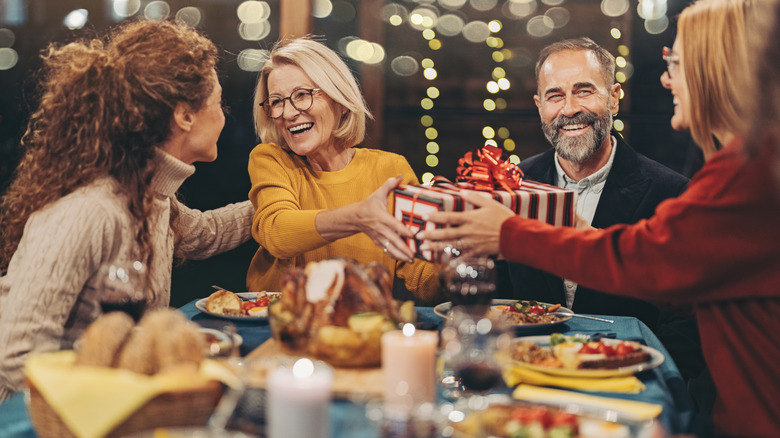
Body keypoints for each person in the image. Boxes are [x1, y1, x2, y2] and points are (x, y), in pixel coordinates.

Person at [418, 0, 780, 435]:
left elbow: (645, 263)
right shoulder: (752, 165)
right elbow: (692, 286)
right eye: (555, 95)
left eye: (677, 62)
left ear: (716, 70)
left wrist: (510, 231)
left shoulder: (749, 174)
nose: (666, 77)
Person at [0, 20, 254, 401]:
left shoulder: (147, 196)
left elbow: (206, 231)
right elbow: (16, 355)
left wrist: (283, 196)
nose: (224, 116)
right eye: (219, 103)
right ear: (185, 115)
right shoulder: (89, 210)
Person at [508, 37, 689, 330]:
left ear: (614, 98)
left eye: (584, 91)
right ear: (539, 107)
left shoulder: (673, 194)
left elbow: (685, 327)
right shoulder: (511, 185)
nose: (569, 109)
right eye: (555, 96)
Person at [247, 37, 440, 303]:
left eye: (302, 95)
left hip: (360, 327)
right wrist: (359, 216)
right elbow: (277, 232)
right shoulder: (271, 159)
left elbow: (424, 280)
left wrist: (455, 258)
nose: (288, 113)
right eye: (277, 101)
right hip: (283, 328)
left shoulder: (390, 169)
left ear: (339, 98)